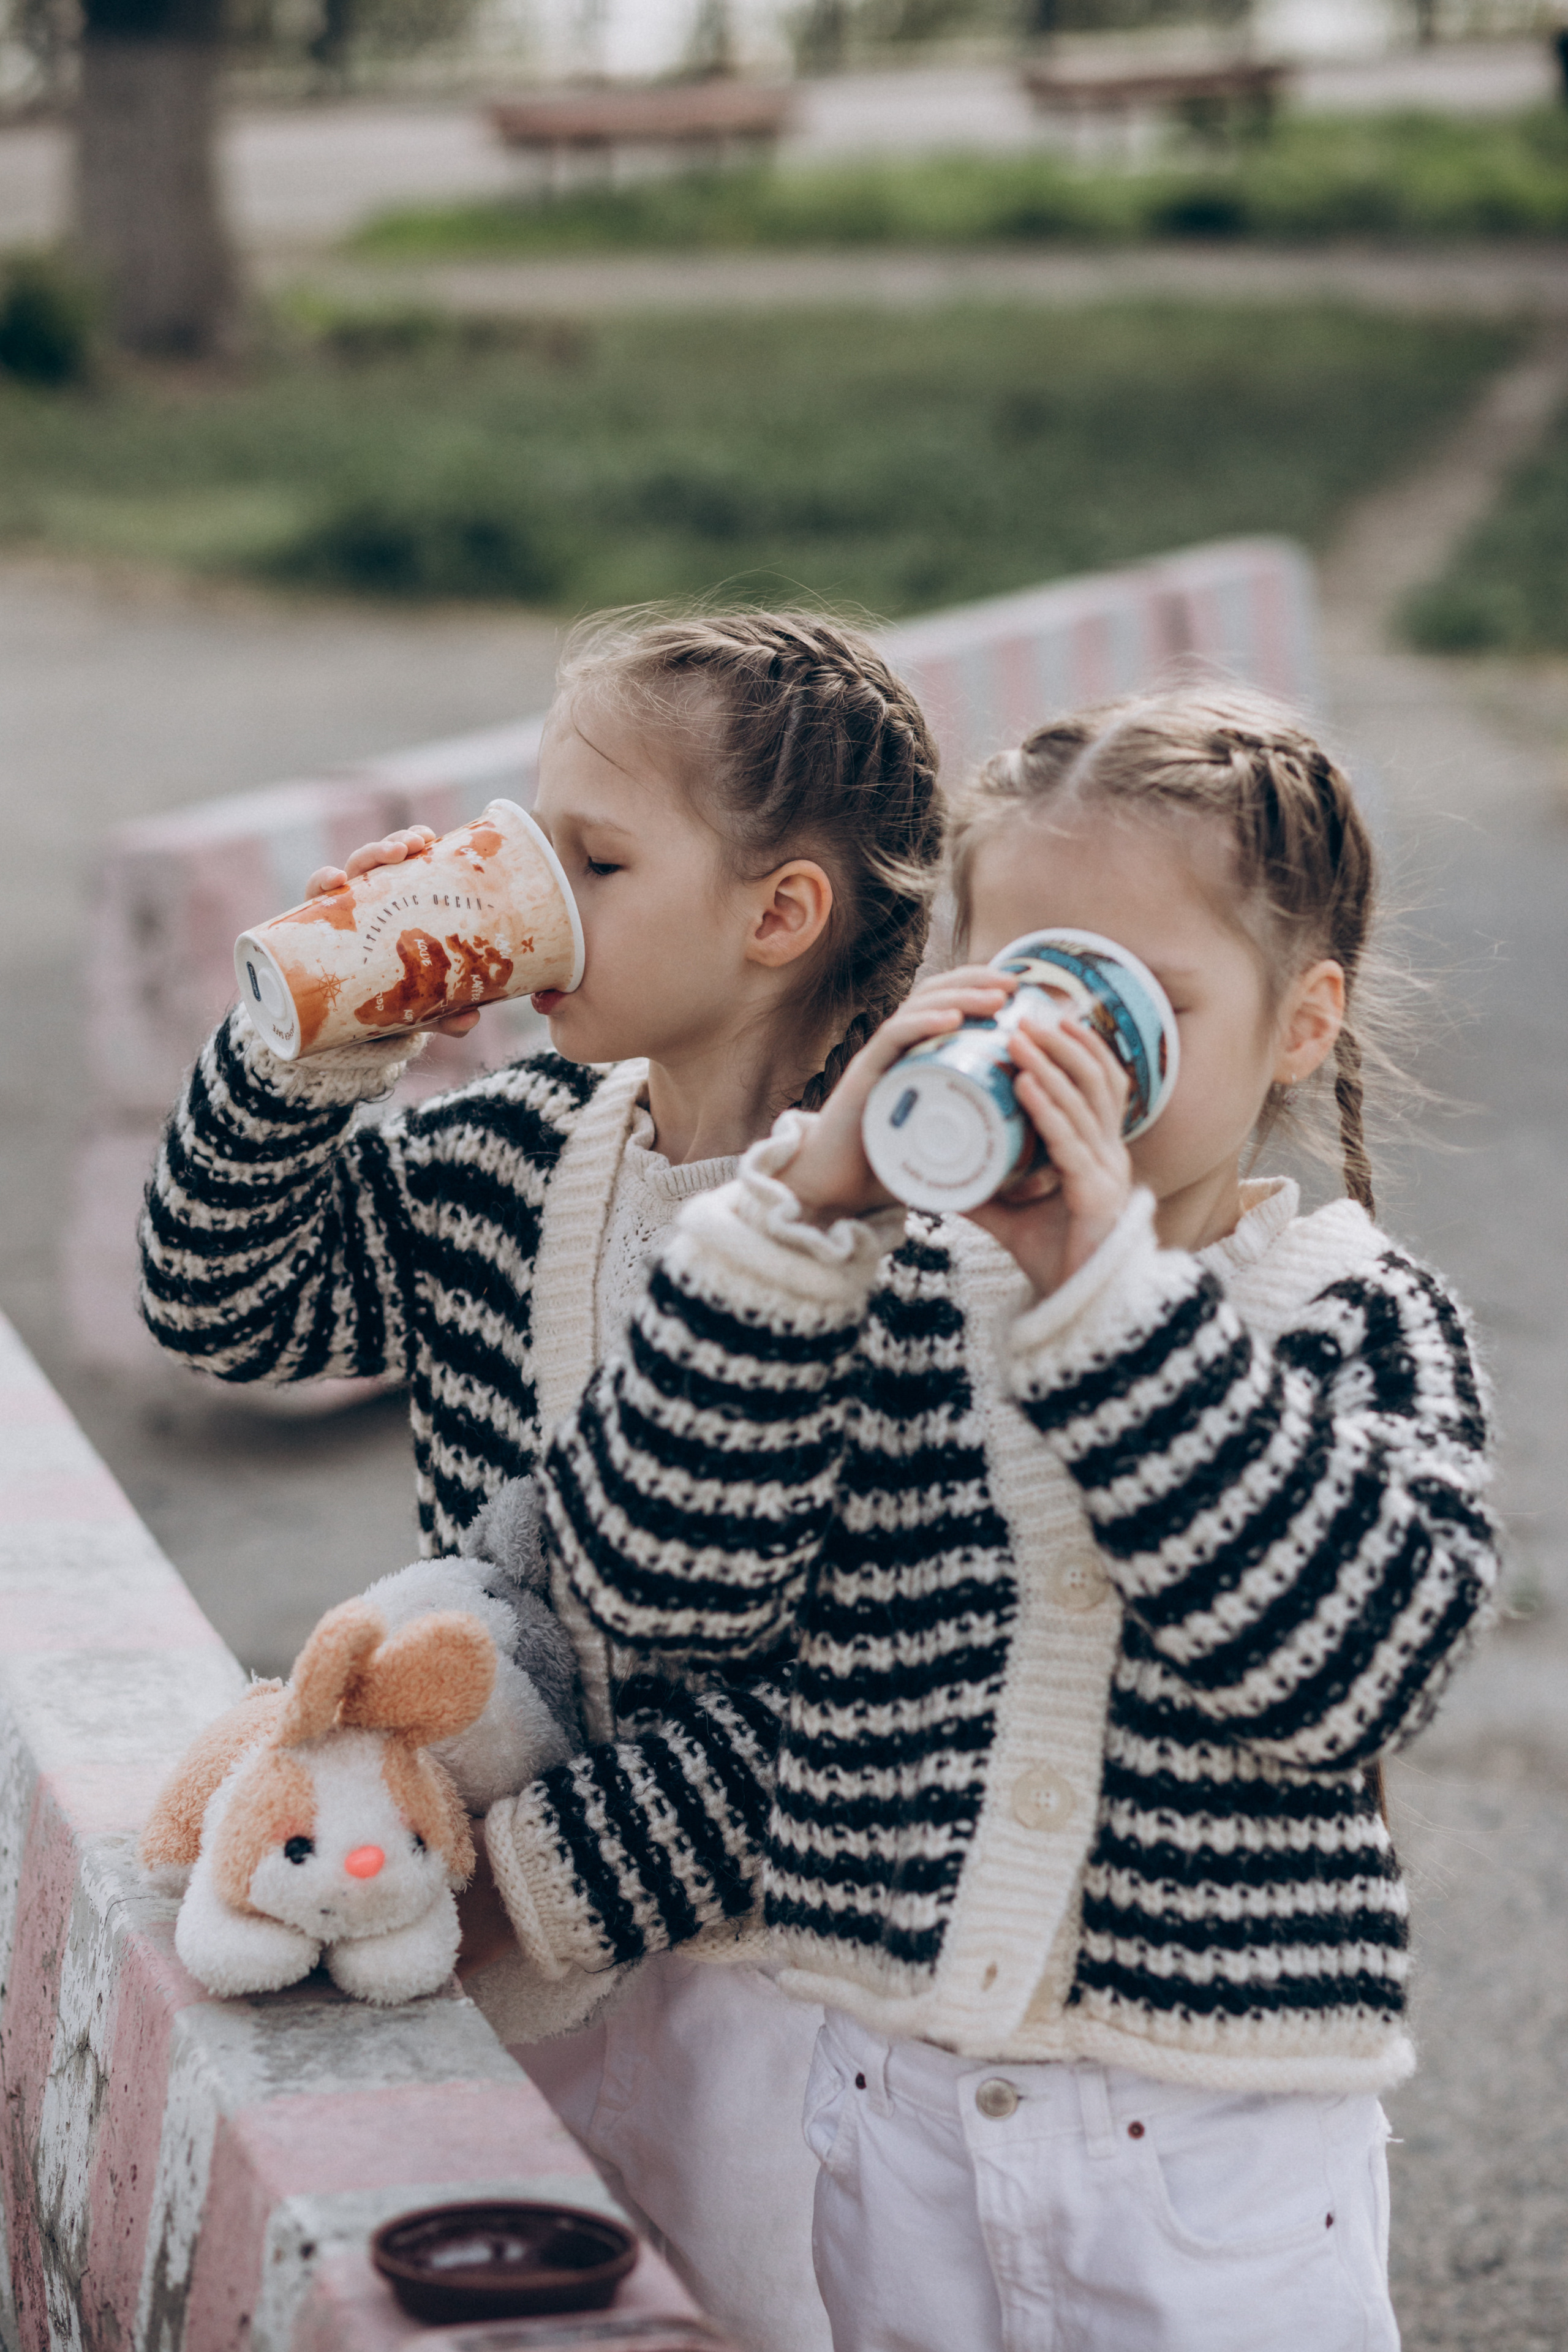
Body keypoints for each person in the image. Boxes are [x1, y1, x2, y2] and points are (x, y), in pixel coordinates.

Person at [503, 685, 1500, 2352]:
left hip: (1212, 2146)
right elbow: (649, 1580)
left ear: (1301, 1023)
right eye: (1025, 990)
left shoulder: (1353, 1316)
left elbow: (1345, 1674)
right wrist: (797, 1223)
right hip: (894, 2112)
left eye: (1137, 1007)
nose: (1063, 1058)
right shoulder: (880, 1294)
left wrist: (1107, 1305)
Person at [137, 608, 945, 2352]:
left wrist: (532, 1870)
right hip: (511, 1973)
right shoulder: (502, 1149)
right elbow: (224, 1298)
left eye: (594, 859)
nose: (535, 896)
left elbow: (874, 1686)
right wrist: (304, 1042)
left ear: (781, 916)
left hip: (783, 1993)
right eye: (527, 837)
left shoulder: (898, 1241)